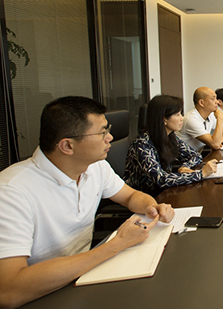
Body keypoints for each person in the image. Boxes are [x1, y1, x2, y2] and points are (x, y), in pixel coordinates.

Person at [0, 96, 175, 308]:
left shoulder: (94, 166)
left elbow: (130, 196)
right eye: (102, 133)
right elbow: (8, 291)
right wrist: (116, 245)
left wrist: (151, 206)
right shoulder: (11, 191)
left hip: (83, 277)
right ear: (67, 146)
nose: (110, 137)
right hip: (41, 296)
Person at [124, 95, 218, 196]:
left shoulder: (171, 137)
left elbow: (196, 155)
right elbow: (161, 179)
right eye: (177, 115)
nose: (182, 118)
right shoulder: (142, 144)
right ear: (164, 119)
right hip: (142, 196)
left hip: (164, 191)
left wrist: (184, 167)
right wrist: (201, 174)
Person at [177, 87, 223, 151]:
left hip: (198, 154)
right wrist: (219, 118)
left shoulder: (210, 115)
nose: (217, 102)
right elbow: (215, 144)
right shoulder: (191, 119)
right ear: (201, 103)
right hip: (185, 156)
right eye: (213, 99)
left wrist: (219, 142)